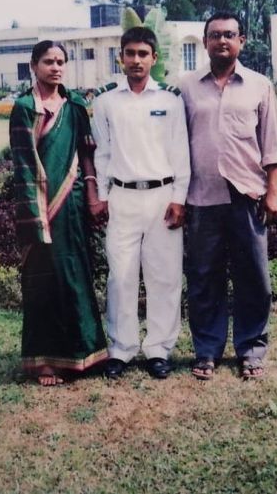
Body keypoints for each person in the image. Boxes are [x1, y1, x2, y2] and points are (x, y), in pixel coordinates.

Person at [178, 12, 277, 381]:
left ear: (242, 41)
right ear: (205, 42)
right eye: (214, 35)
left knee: (253, 277)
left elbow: (271, 145)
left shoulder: (259, 85)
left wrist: (274, 192)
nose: (222, 41)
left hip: (248, 197)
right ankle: (206, 351)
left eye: (229, 35)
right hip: (202, 197)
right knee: (204, 277)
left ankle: (251, 349)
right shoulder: (187, 88)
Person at [91, 26, 191, 380]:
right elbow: (102, 154)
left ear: (154, 58)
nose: (136, 60)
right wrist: (102, 197)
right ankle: (121, 349)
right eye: (130, 53)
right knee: (121, 277)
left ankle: (158, 349)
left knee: (164, 277)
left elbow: (181, 152)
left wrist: (179, 199)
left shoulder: (169, 99)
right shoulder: (105, 101)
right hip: (122, 198)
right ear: (120, 57)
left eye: (142, 54)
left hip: (163, 197)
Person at [9, 40, 108, 386]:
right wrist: (37, 215)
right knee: (43, 281)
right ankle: (45, 361)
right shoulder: (25, 108)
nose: (56, 67)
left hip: (74, 203)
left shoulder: (76, 105)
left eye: (61, 61)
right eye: (48, 61)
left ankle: (84, 352)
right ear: (34, 65)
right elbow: (23, 163)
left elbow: (87, 153)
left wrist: (93, 192)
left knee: (76, 274)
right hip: (42, 207)